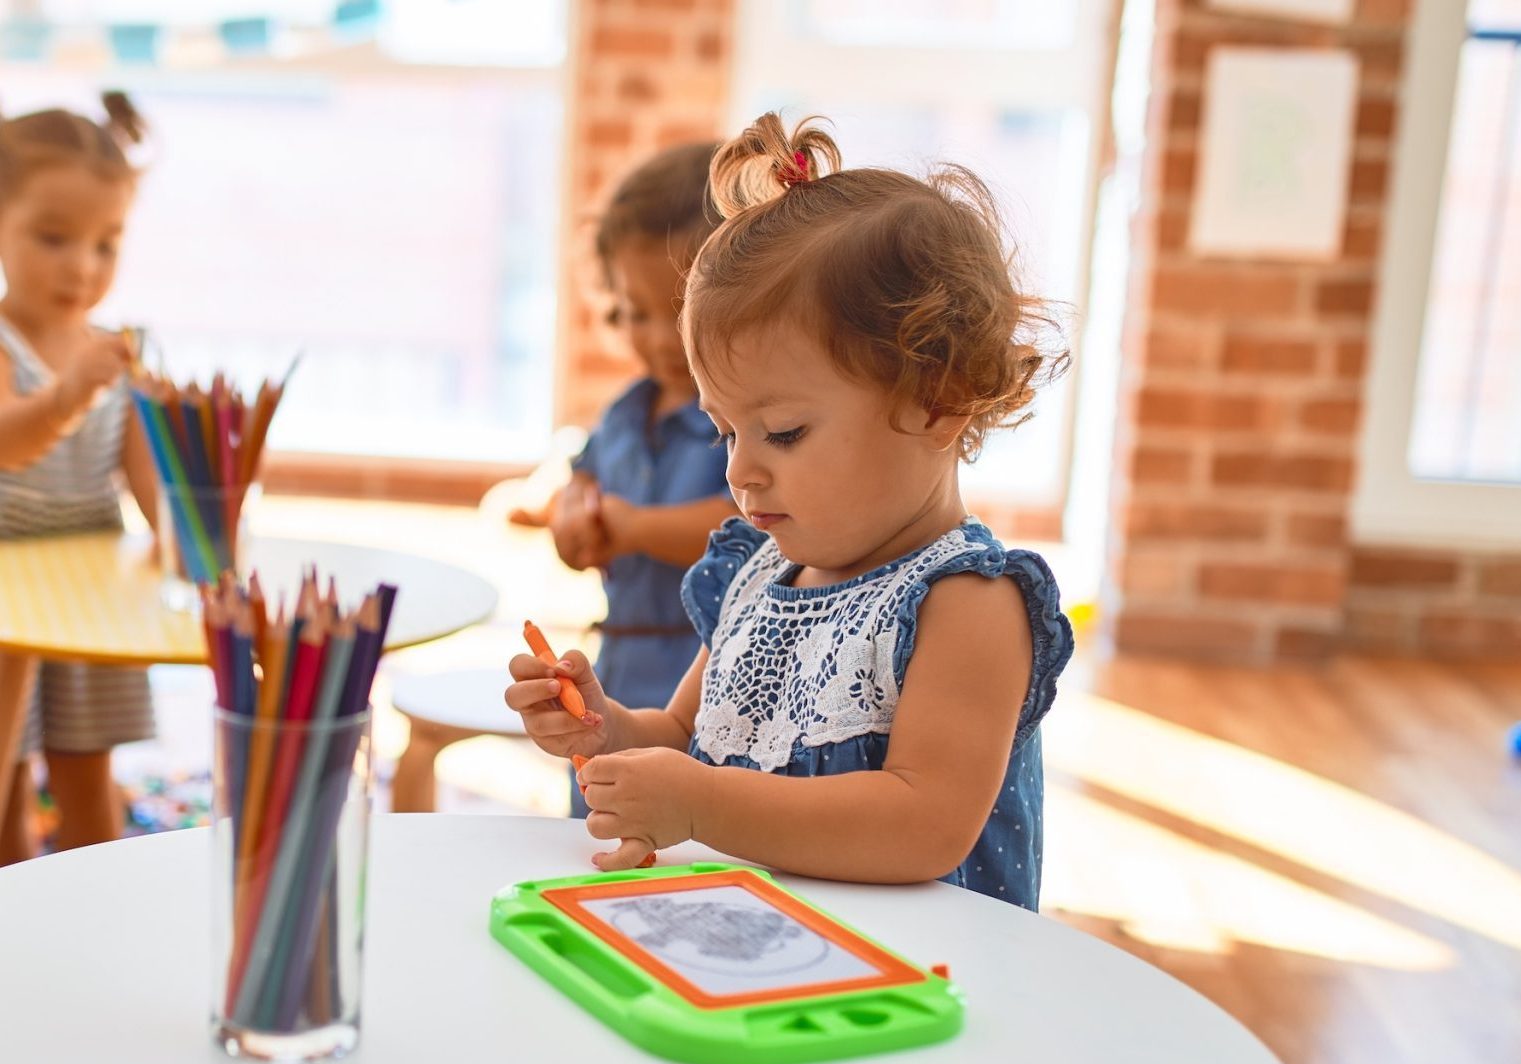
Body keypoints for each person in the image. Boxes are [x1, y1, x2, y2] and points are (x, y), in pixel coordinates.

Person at [506, 114, 1075, 909]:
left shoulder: (968, 602)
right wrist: (604, 728)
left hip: (918, 991)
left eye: (782, 432)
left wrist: (700, 805)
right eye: (725, 431)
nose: (740, 470)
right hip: (770, 966)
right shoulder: (758, 575)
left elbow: (923, 823)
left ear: (937, 403)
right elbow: (685, 739)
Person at [391, 141, 734, 816]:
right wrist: (572, 525)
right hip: (620, 659)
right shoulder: (624, 414)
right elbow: (577, 494)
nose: (658, 337)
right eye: (635, 312)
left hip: (699, 673)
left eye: (676, 310)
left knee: (683, 830)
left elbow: (743, 526)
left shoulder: (738, 417)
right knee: (598, 814)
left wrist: (631, 527)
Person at [0, 92, 159, 863]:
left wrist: (195, 534)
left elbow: (150, 480)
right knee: (5, 787)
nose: (81, 266)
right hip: (7, 604)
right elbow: (10, 442)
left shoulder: (113, 353)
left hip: (88, 602)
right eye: (53, 238)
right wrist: (69, 394)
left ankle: (95, 906)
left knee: (89, 773)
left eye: (105, 244)